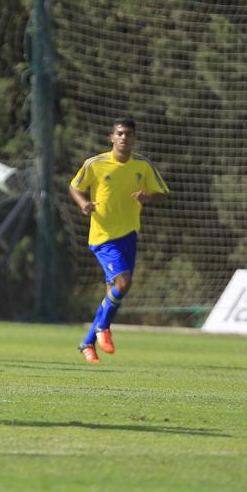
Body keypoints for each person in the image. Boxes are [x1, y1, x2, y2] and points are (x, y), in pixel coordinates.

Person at [68, 117, 169, 362]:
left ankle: (87, 342)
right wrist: (84, 204)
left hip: (129, 234)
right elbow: (74, 186)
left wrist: (148, 196)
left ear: (134, 139)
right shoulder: (96, 163)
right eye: (120, 133)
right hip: (103, 236)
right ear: (112, 137)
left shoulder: (142, 165)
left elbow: (163, 194)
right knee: (123, 284)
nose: (124, 138)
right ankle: (103, 328)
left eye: (129, 134)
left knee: (114, 292)